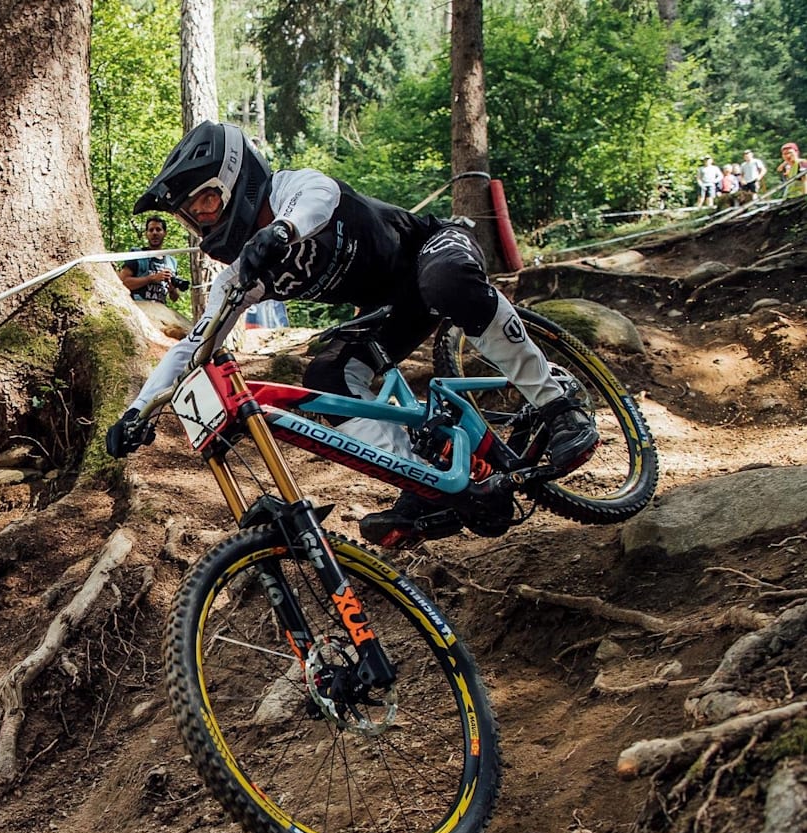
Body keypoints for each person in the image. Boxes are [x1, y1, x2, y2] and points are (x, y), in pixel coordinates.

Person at [105, 121, 598, 548]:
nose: (202, 222)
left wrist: (282, 231)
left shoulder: (291, 189)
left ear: (236, 179)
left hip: (434, 246)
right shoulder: (243, 274)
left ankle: (559, 406)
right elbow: (196, 346)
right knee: (327, 375)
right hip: (392, 308)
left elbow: (321, 199)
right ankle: (427, 487)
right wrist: (138, 410)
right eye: (193, 216)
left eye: (207, 202)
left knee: (445, 281)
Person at [119, 216, 183, 304]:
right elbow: (122, 283)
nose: (154, 233)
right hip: (138, 308)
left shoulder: (171, 262)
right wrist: (152, 278)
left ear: (165, 233)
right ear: (146, 234)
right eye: (151, 230)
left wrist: (172, 290)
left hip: (159, 311)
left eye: (158, 229)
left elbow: (174, 298)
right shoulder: (137, 255)